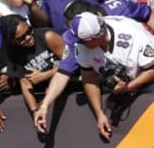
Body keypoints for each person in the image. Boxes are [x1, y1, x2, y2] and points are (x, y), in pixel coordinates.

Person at [34, 12, 154, 140]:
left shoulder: (134, 35)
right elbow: (88, 78)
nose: (76, 43)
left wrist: (128, 87)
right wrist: (99, 114)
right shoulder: (82, 45)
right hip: (122, 85)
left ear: (94, 39)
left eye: (80, 40)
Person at [0, 14, 64, 115]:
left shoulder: (48, 36)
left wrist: (46, 75)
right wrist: (34, 111)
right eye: (21, 38)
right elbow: (25, 84)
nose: (28, 37)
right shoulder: (13, 53)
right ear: (12, 41)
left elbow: (73, 64)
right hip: (43, 96)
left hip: (67, 90)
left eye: (29, 30)